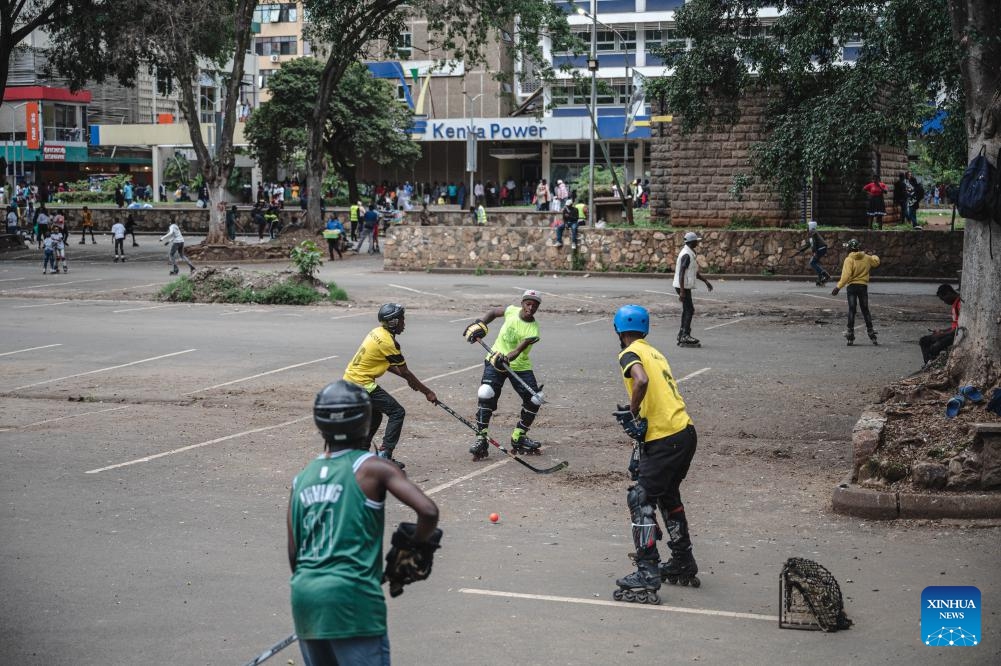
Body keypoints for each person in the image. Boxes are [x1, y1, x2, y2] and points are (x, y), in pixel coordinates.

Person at [289, 380, 441, 666]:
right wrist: (411, 548)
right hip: (353, 599)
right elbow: (428, 512)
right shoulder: (372, 467)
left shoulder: (301, 478)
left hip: (306, 599)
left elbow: (295, 556)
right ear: (365, 420)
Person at [610, 304, 701, 605]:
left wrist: (633, 410)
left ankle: (647, 571)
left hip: (665, 437)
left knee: (640, 498)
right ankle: (682, 561)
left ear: (618, 330)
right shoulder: (656, 352)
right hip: (684, 432)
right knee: (668, 495)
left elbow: (642, 380)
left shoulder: (629, 352)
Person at [342, 304, 438, 468]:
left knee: (376, 415)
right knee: (397, 412)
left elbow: (387, 364)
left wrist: (408, 380)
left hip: (351, 380)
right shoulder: (388, 343)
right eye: (402, 319)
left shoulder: (377, 332)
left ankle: (361, 453)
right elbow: (406, 371)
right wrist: (427, 392)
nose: (404, 323)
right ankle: (385, 454)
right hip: (362, 384)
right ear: (393, 322)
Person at [462, 290, 545, 459]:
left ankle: (519, 437)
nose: (531, 308)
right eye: (528, 304)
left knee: (535, 398)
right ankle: (481, 438)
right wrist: (479, 324)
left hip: (519, 365)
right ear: (522, 303)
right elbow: (493, 312)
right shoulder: (511, 311)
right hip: (494, 360)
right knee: (486, 393)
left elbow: (518, 350)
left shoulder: (533, 330)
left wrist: (506, 358)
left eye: (535, 306)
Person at [831, 238, 880, 345]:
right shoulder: (867, 258)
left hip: (852, 287)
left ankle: (850, 333)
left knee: (852, 310)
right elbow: (876, 263)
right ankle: (871, 332)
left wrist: (838, 287)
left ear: (849, 248)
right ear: (858, 247)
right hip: (863, 287)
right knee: (865, 309)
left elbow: (846, 276)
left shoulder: (849, 260)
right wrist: (873, 255)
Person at [672, 232, 714, 348]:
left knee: (687, 309)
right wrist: (681, 291)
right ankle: (685, 335)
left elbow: (693, 272)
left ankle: (682, 334)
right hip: (682, 286)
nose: (697, 242)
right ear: (691, 242)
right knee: (689, 309)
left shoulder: (690, 253)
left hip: (684, 286)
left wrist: (705, 281)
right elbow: (681, 273)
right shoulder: (686, 254)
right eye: (696, 241)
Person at [919, 284, 961, 365]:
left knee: (933, 346)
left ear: (949, 293)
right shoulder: (955, 304)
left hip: (956, 335)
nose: (944, 302)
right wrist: (942, 331)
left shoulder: (959, 304)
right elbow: (955, 325)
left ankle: (931, 364)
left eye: (943, 299)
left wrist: (942, 334)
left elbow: (958, 328)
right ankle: (929, 363)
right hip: (953, 333)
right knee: (924, 340)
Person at [794, 220, 831, 286]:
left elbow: (814, 243)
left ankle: (825, 275)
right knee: (815, 262)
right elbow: (809, 244)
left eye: (808, 226)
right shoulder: (813, 233)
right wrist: (801, 250)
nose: (807, 227)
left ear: (811, 226)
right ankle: (820, 280)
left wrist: (814, 252)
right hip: (822, 248)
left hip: (820, 249)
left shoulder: (813, 232)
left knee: (812, 262)